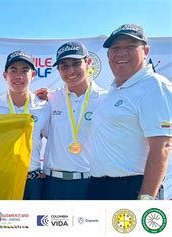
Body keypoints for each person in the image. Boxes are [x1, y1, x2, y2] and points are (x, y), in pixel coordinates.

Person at [88, 24, 172, 200]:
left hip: (132, 189)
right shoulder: (115, 88)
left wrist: (146, 199)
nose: (121, 53)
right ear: (109, 55)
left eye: (130, 46)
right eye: (116, 48)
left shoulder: (154, 86)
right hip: (100, 187)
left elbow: (163, 146)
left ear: (146, 51)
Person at [42, 41, 108, 200]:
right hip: (53, 184)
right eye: (64, 66)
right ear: (58, 70)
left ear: (88, 63)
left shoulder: (105, 98)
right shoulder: (50, 98)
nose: (70, 71)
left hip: (90, 183)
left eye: (76, 63)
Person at [0, 50, 50, 200]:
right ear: (5, 75)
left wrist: (48, 169)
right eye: (13, 70)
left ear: (33, 75)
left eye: (25, 70)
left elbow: (53, 140)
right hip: (4, 179)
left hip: (33, 180)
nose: (19, 76)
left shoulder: (44, 106)